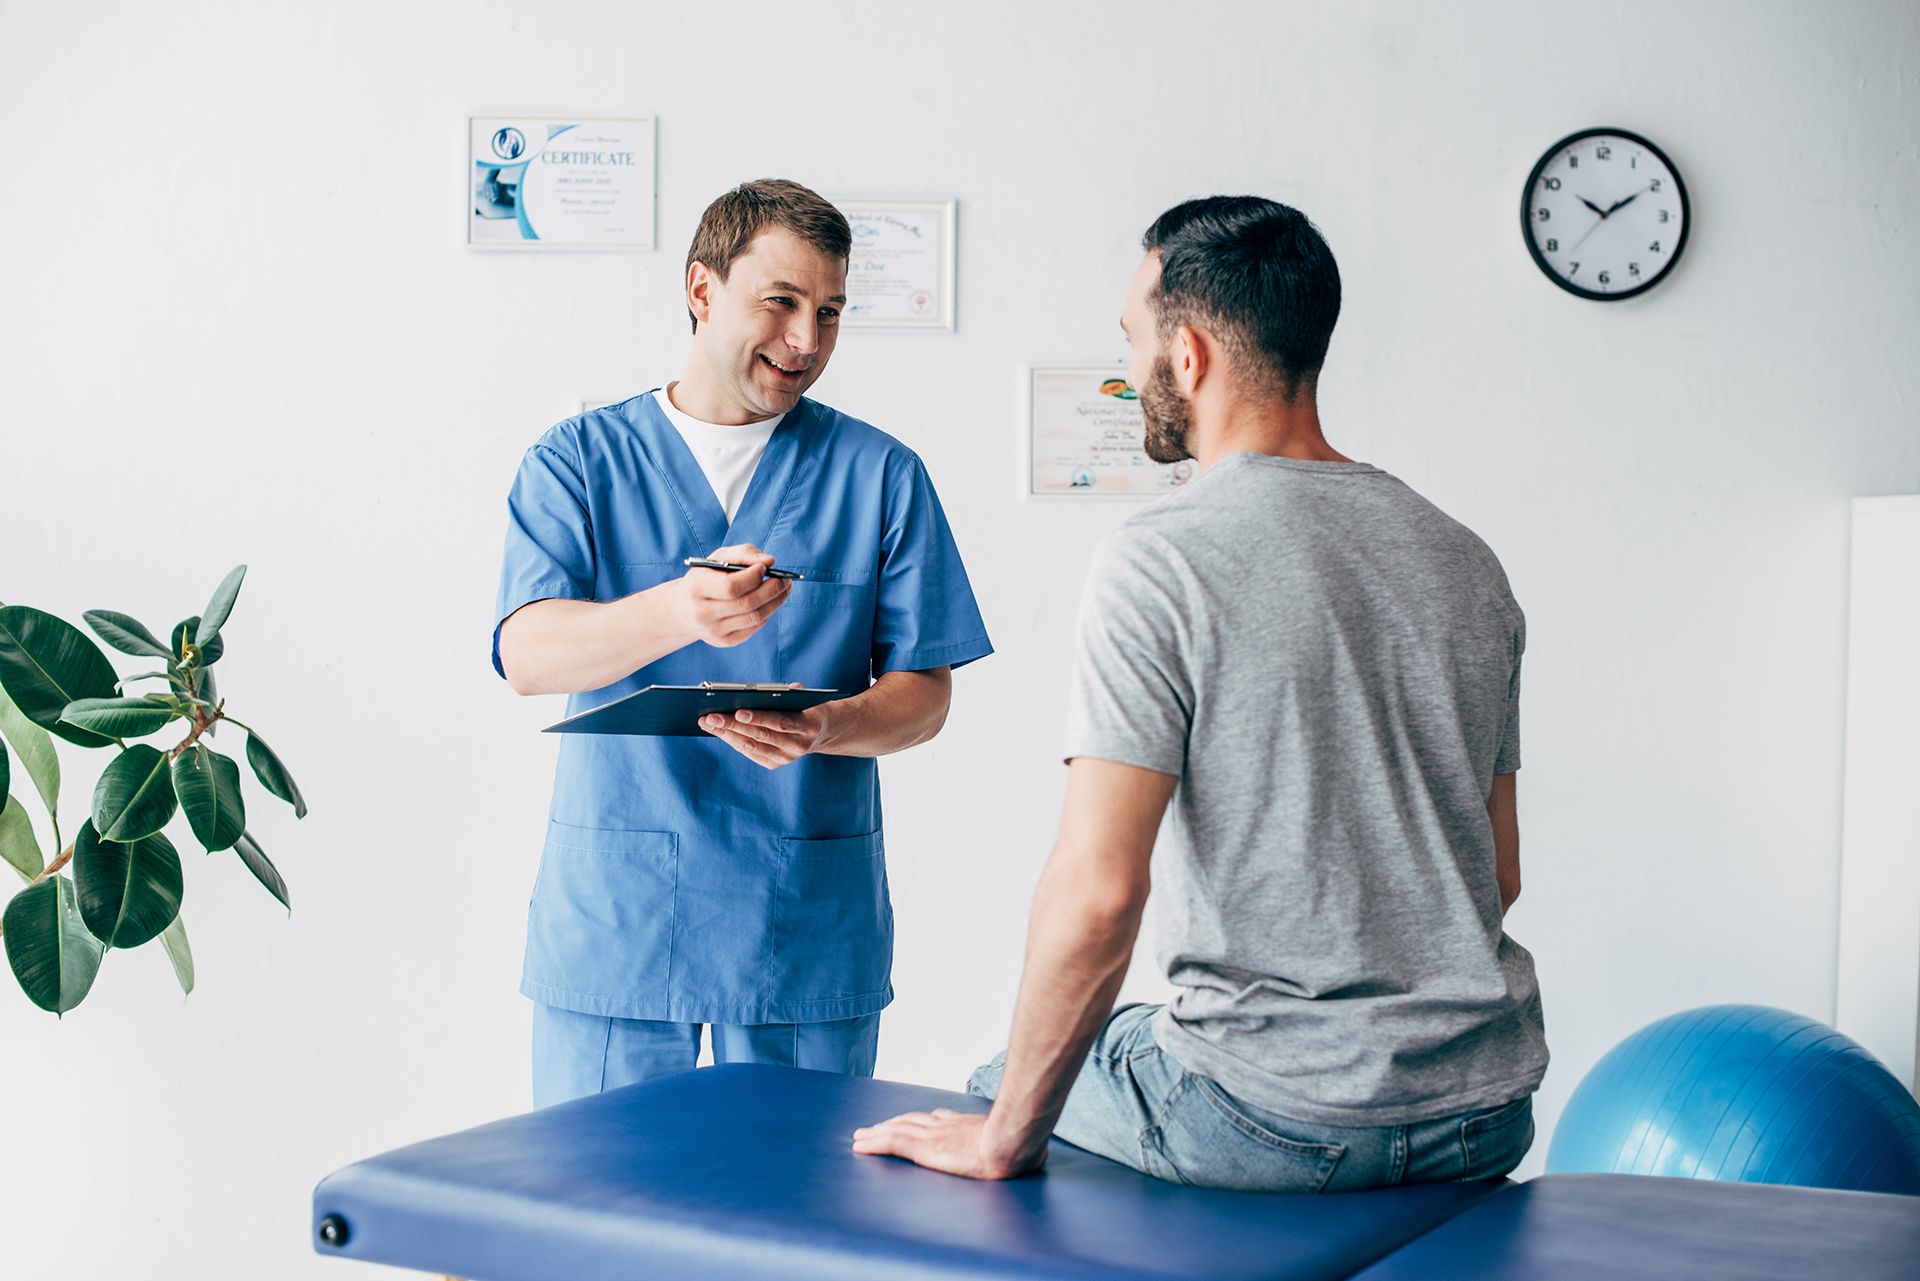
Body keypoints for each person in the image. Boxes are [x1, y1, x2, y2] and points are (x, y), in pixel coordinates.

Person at [854, 196, 1546, 1191]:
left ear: (1188, 354)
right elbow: (1499, 874)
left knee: (997, 1082)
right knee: (1131, 1035)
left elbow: (1099, 893)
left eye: (1133, 342)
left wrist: (1005, 1136)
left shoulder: (1164, 559)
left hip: (1280, 1121)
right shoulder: (1464, 560)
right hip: (1486, 1109)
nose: (1130, 370)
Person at [494, 179, 992, 1106]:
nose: (807, 341)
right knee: (601, 1221)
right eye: (782, 302)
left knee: (794, 1223)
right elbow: (529, 655)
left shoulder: (880, 475)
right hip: (623, 914)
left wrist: (827, 727)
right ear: (701, 291)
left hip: (798, 908)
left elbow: (926, 694)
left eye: (831, 313)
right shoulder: (577, 462)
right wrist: (680, 613)